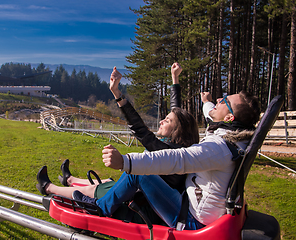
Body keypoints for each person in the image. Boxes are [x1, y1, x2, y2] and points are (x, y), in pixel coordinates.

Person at [71, 90, 260, 230]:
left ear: (228, 117)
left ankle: (100, 208)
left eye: (225, 100)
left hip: (191, 220)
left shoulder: (218, 148)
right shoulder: (233, 137)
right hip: (196, 209)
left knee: (140, 175)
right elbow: (210, 111)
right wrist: (206, 102)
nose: (219, 99)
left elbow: (179, 159)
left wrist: (125, 162)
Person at [36, 63, 198, 207]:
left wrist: (117, 94)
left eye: (167, 121)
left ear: (177, 130)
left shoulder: (167, 153)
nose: (162, 120)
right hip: (138, 190)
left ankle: (48, 188)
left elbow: (140, 130)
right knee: (107, 182)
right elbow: (176, 112)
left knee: (94, 189)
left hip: (138, 197)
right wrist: (174, 79)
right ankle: (70, 180)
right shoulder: (182, 153)